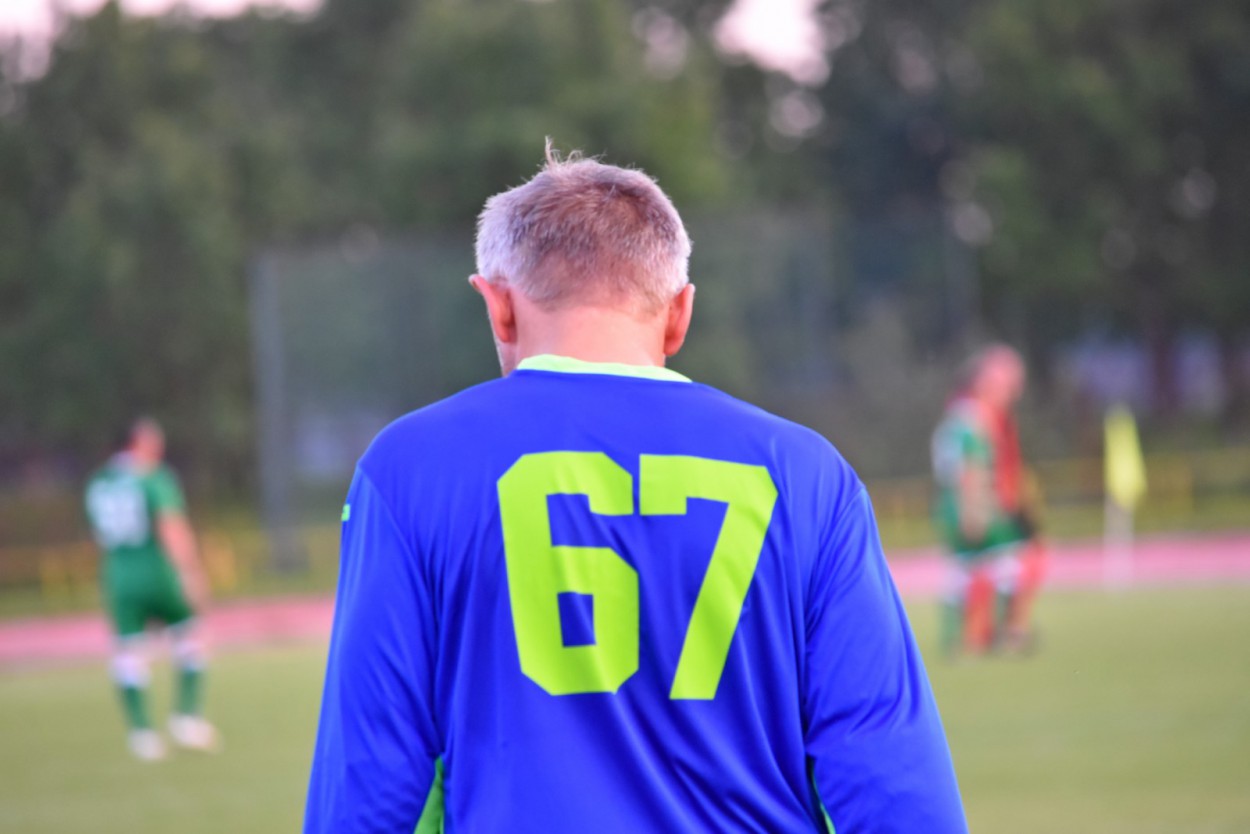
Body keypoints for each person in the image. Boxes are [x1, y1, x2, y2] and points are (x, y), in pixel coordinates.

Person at [305, 146, 966, 833]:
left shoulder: (409, 469)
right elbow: (893, 785)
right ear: (680, 313)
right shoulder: (807, 473)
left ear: (497, 306)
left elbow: (371, 781)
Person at [84, 418, 220, 760]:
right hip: (158, 571)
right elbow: (170, 526)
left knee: (128, 654)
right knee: (190, 636)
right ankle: (186, 717)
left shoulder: (99, 482)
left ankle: (141, 733)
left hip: (118, 575)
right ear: (138, 443)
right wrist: (191, 572)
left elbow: (100, 535)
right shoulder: (152, 478)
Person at [931, 345, 1044, 656]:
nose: (1013, 392)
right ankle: (999, 635)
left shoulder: (958, 413)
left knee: (966, 570)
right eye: (1007, 384)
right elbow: (971, 469)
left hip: (957, 505)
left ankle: (971, 638)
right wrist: (973, 510)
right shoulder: (974, 419)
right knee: (1006, 565)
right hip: (974, 505)